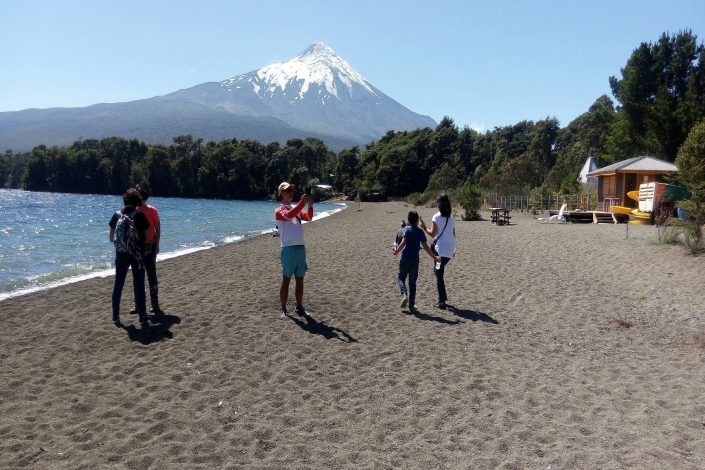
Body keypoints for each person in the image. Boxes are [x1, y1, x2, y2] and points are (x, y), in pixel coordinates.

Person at [109, 188, 150, 327]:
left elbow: (110, 238)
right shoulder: (139, 216)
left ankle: (115, 317)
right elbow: (148, 236)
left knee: (118, 284)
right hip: (137, 254)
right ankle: (143, 317)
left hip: (120, 254)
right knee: (139, 284)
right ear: (137, 201)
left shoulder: (116, 215)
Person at [275, 182, 313, 317]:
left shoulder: (296, 209)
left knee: (300, 279)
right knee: (286, 279)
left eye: (291, 190)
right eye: (287, 190)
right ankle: (283, 308)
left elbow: (309, 217)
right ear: (281, 193)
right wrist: (302, 202)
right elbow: (289, 215)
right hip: (288, 249)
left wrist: (310, 204)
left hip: (300, 248)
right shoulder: (279, 210)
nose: (290, 192)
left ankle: (299, 307)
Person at [393, 210, 440, 312]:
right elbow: (426, 247)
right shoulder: (420, 232)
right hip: (415, 260)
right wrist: (435, 257)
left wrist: (397, 251)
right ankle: (411, 305)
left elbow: (403, 243)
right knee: (412, 283)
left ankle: (404, 294)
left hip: (405, 258)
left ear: (408, 220)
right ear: (417, 220)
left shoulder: (407, 230)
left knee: (401, 278)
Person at [420, 193, 457, 309]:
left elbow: (432, 234)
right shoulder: (450, 218)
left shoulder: (436, 217)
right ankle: (443, 297)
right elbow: (453, 235)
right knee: (438, 272)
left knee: (438, 273)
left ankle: (441, 301)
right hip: (450, 250)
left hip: (440, 251)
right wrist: (454, 249)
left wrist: (424, 227)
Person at [134, 184, 163, 316]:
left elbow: (157, 228)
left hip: (150, 246)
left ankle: (154, 304)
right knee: (138, 277)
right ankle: (138, 304)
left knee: (151, 275)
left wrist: (157, 245)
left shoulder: (152, 210)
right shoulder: (134, 211)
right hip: (138, 248)